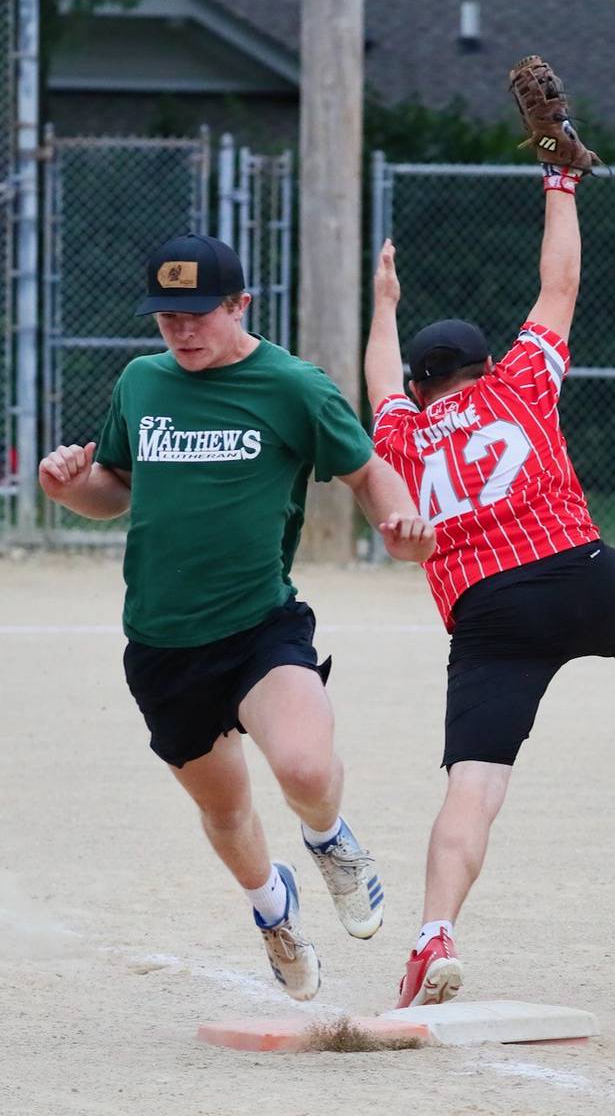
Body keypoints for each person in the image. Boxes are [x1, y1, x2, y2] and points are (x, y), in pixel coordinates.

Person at [364, 162, 615, 1009]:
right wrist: (559, 179)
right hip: (570, 566)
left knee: (473, 784)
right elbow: (563, 280)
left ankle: (433, 934)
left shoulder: (402, 434)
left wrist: (382, 306)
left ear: (418, 387)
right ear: (483, 365)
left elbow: (375, 381)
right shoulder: (519, 382)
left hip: (485, 610)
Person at [39, 232, 435, 1002]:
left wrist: (401, 526)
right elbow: (116, 487)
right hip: (161, 642)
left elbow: (364, 469)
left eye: (197, 315)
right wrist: (67, 489)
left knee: (307, 769)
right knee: (226, 810)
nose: (181, 331)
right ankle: (272, 910)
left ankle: (330, 840)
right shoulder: (141, 381)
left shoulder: (292, 385)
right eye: (166, 317)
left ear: (239, 304)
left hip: (259, 624)